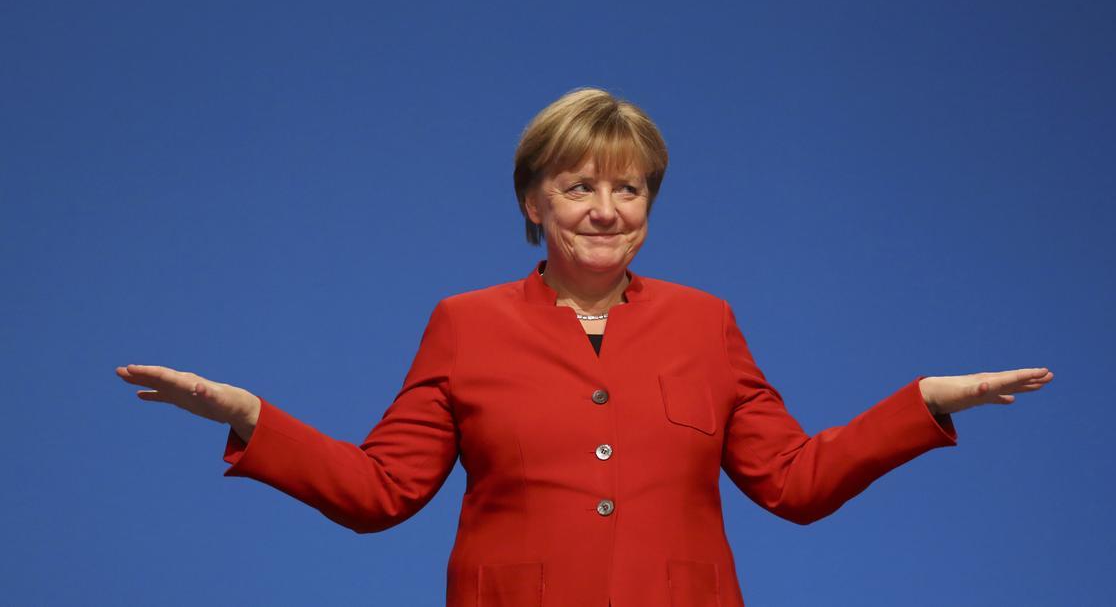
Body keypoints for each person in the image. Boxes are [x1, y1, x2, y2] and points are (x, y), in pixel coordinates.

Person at [115, 88, 1054, 607]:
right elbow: (381, 493)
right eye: (577, 187)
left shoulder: (706, 321)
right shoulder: (466, 322)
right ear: (533, 200)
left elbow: (794, 482)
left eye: (630, 189)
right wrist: (249, 418)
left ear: (651, 204)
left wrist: (922, 400)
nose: (606, 210)